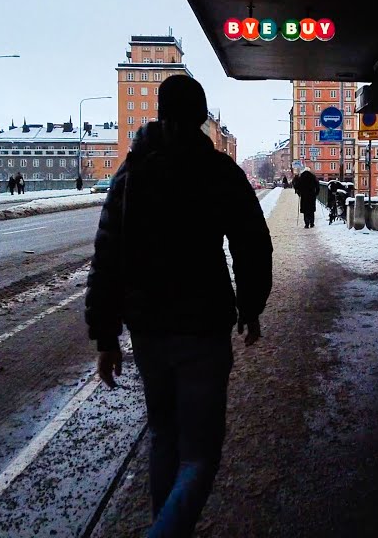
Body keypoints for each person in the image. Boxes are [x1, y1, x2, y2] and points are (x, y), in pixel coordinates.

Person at [86, 75, 272, 538]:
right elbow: (252, 244)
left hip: (148, 331)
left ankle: (165, 525)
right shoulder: (218, 171)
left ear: (159, 113)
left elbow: (107, 256)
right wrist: (250, 308)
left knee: (163, 433)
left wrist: (106, 337)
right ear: (202, 118)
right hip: (203, 327)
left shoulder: (130, 175)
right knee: (201, 453)